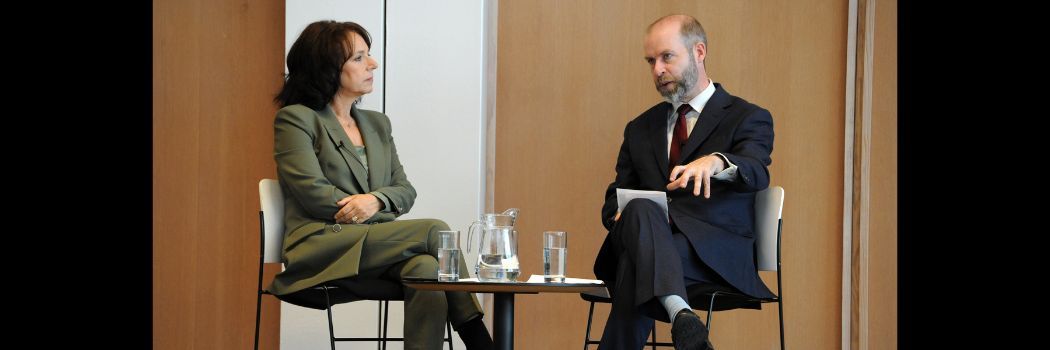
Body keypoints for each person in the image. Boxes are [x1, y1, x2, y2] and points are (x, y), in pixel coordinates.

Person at [267, 20, 493, 350]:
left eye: (368, 55)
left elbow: (404, 190)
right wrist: (372, 206)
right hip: (321, 244)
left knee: (427, 267)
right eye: (359, 58)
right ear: (328, 68)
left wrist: (374, 201)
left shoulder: (376, 124)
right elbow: (313, 194)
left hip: (372, 243)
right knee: (436, 231)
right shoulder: (296, 119)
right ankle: (482, 343)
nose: (372, 64)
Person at [592, 14, 776, 350]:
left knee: (636, 265)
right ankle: (683, 318)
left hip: (711, 256)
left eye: (666, 57)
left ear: (699, 52)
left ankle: (680, 314)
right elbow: (613, 199)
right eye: (651, 61)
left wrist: (719, 161)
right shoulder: (640, 128)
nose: (657, 70)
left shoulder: (747, 116)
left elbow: (757, 171)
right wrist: (619, 215)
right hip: (650, 243)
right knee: (641, 210)